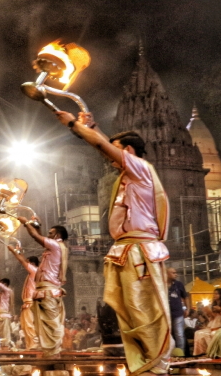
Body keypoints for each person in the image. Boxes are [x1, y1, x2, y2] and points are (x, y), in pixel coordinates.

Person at [56, 110, 172, 375]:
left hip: (139, 252)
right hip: (126, 251)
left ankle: (154, 366)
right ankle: (143, 363)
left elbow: (102, 147)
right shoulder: (127, 176)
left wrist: (74, 126)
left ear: (129, 150)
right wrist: (93, 128)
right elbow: (104, 146)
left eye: (116, 152)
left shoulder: (141, 168)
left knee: (143, 313)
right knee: (129, 314)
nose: (110, 161)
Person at [18, 216, 69, 357]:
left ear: (57, 236)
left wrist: (25, 222)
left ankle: (54, 356)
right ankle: (50, 354)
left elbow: (35, 236)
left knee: (51, 326)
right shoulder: (56, 246)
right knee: (47, 325)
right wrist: (36, 225)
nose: (48, 235)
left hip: (48, 292)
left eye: (51, 233)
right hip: (46, 292)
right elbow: (39, 236)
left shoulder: (56, 245)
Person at [8, 244, 41, 350]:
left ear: (32, 264)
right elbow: (23, 261)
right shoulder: (34, 272)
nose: (25, 265)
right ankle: (30, 345)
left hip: (31, 302)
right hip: (29, 302)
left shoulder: (34, 271)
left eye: (28, 263)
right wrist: (20, 251)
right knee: (26, 326)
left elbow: (22, 261)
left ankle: (34, 345)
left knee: (30, 325)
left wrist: (14, 251)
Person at [193, 288, 221, 356]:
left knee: (209, 334)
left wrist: (219, 311)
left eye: (217, 294)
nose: (214, 295)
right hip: (213, 323)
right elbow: (211, 318)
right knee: (198, 333)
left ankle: (212, 352)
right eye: (214, 293)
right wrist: (207, 313)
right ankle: (201, 353)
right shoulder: (213, 305)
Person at [167, 268, 191, 356]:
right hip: (165, 315)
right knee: (167, 334)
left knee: (179, 334)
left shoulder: (178, 284)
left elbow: (186, 297)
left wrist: (188, 309)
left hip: (178, 313)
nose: (176, 274)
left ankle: (181, 354)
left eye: (176, 273)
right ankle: (169, 354)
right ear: (166, 274)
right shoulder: (161, 284)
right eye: (173, 273)